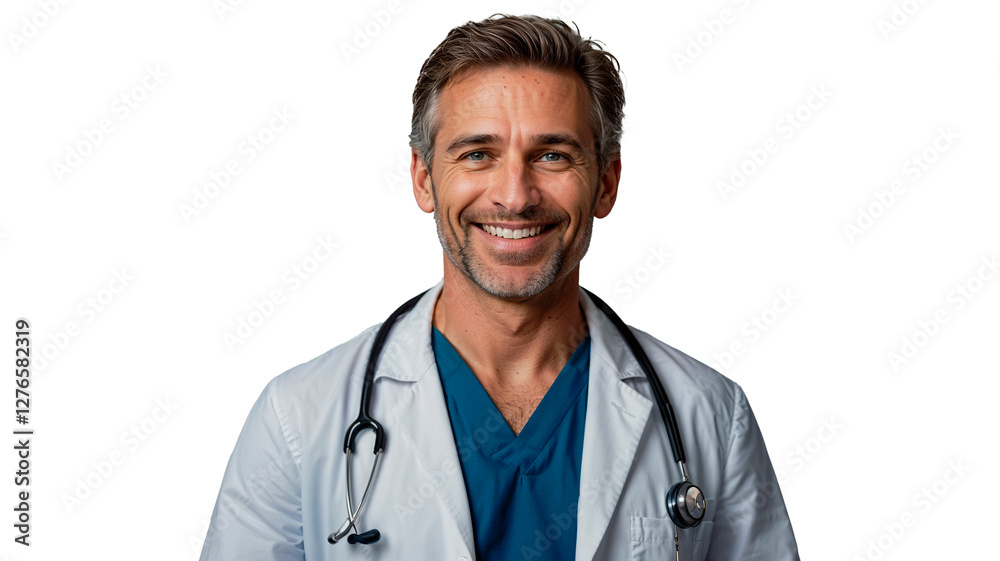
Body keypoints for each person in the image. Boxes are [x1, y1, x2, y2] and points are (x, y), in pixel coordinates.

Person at [199, 14, 799, 561]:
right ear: (423, 179)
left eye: (554, 155)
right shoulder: (299, 419)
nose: (515, 195)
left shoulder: (712, 418)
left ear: (607, 183)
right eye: (478, 153)